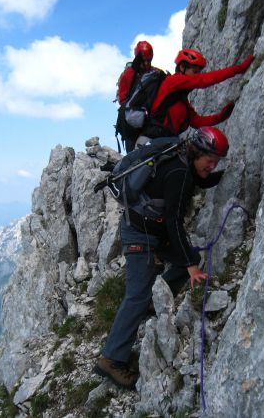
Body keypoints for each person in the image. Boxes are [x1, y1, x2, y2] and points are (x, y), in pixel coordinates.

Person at [95, 126, 230, 389]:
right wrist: (191, 267)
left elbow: (197, 179)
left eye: (216, 163)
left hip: (151, 231)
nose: (212, 166)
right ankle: (111, 359)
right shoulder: (179, 172)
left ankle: (153, 300)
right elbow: (175, 224)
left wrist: (224, 175)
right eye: (210, 161)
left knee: (185, 259)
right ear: (197, 152)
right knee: (137, 293)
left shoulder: (182, 159)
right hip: (140, 234)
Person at [141, 49, 255, 142]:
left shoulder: (180, 99)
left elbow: (196, 121)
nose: (197, 75)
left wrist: (221, 117)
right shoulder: (173, 81)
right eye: (195, 71)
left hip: (161, 142)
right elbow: (204, 80)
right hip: (150, 141)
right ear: (182, 68)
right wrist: (238, 69)